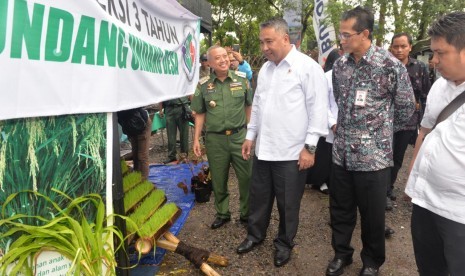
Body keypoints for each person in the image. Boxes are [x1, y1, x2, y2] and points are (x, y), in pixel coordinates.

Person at [326, 6, 415, 276]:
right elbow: (342, 102)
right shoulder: (340, 65)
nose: (342, 40)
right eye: (340, 34)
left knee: (373, 216)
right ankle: (342, 254)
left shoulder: (390, 66)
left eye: (346, 34)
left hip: (373, 158)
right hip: (341, 154)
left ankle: (372, 262)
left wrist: (379, 134)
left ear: (365, 33)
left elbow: (405, 107)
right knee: (340, 211)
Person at [236, 18, 328, 267]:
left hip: (291, 153)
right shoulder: (265, 70)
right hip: (264, 149)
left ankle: (284, 244)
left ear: (285, 39)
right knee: (259, 198)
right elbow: (257, 107)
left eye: (269, 41)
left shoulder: (307, 68)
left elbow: (318, 111)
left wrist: (309, 148)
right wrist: (250, 136)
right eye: (261, 42)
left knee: (288, 204)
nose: (264, 47)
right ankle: (255, 235)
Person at [405, 11, 465, 276]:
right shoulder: (440, 87)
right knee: (429, 267)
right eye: (433, 53)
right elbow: (425, 131)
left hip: (459, 215)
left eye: (441, 53)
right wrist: (412, 178)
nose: (434, 61)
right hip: (425, 202)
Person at [191, 45, 253, 230]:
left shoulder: (243, 80)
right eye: (217, 58)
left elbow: (249, 107)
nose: (223, 60)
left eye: (225, 56)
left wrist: (250, 133)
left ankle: (246, 213)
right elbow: (200, 113)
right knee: (218, 178)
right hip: (215, 140)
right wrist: (196, 139)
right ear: (209, 63)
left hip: (239, 137)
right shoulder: (203, 85)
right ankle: (222, 213)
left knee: (246, 177)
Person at [387, 33, 431, 210]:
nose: (399, 50)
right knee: (384, 157)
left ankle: (388, 188)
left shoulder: (420, 67)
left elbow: (426, 95)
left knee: (397, 158)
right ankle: (380, 191)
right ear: (391, 47)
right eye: (396, 46)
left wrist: (424, 124)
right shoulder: (386, 66)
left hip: (408, 122)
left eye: (403, 46)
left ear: (410, 47)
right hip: (386, 121)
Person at [306, 48, 341, 194]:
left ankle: (333, 181)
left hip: (344, 125)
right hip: (328, 124)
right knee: (324, 156)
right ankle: (320, 181)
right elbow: (323, 103)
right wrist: (332, 122)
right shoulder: (326, 77)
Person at [117, 108, 152, 180]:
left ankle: (144, 181)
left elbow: (139, 122)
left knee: (142, 156)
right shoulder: (114, 109)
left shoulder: (128, 104)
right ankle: (136, 176)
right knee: (135, 154)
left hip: (142, 125)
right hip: (131, 128)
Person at [159, 96, 190, 164]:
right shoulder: (165, 84)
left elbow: (189, 91)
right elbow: (161, 93)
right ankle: (171, 156)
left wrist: (193, 107)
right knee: (170, 134)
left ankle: (184, 155)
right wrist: (160, 109)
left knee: (184, 134)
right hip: (169, 108)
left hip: (182, 107)